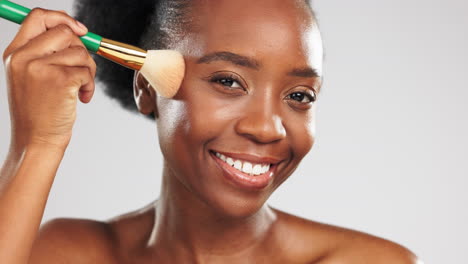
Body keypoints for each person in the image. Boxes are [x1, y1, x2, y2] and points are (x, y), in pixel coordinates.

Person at [0, 0, 422, 263]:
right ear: (147, 86)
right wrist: (36, 145)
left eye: (299, 95)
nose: (267, 127)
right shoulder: (68, 252)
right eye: (228, 81)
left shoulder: (371, 261)